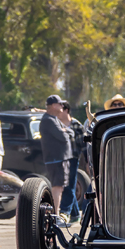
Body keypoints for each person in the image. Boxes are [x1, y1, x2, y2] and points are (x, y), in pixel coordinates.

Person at [39, 94, 74, 224]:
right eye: (60, 104)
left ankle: (55, 216)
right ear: (53, 105)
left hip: (59, 159)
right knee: (57, 187)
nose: (62, 106)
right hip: (56, 159)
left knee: (60, 187)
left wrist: (65, 131)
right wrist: (65, 131)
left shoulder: (54, 119)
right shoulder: (49, 120)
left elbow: (70, 133)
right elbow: (64, 137)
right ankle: (55, 217)